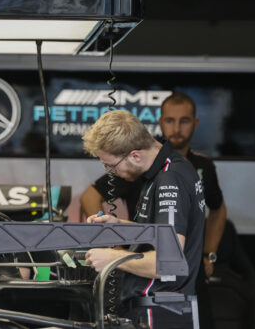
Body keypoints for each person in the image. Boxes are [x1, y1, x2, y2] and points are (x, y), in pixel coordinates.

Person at [79, 92, 227, 327]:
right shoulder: (172, 167)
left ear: (135, 155)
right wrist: (119, 227)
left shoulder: (170, 180)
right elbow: (166, 233)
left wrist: (112, 258)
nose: (111, 173)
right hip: (163, 306)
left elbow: (169, 261)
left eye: (111, 165)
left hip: (162, 310)